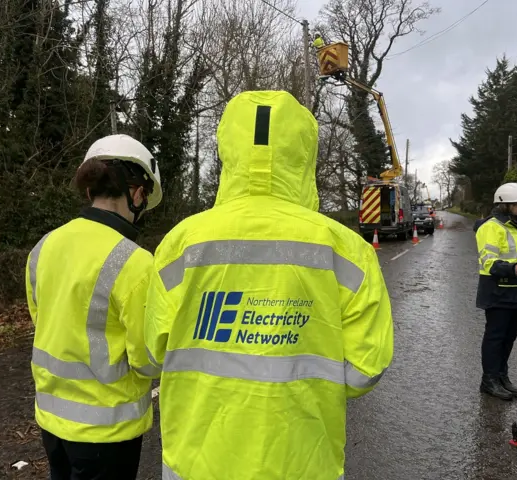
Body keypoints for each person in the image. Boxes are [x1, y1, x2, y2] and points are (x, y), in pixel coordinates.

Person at [144, 90, 394, 480]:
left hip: (196, 463)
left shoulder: (180, 242)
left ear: (228, 150)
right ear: (304, 152)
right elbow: (366, 368)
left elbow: (156, 351)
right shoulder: (345, 249)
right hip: (301, 462)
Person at [25, 134, 162, 479]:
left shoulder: (44, 247)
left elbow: (42, 318)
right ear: (136, 192)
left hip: (51, 421)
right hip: (107, 432)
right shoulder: (134, 262)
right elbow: (147, 361)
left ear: (90, 190)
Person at [474, 182, 517, 401]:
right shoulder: (491, 227)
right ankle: (488, 381)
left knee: (509, 339)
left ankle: (501, 376)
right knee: (495, 338)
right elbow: (488, 261)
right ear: (504, 204)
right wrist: (512, 269)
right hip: (499, 293)